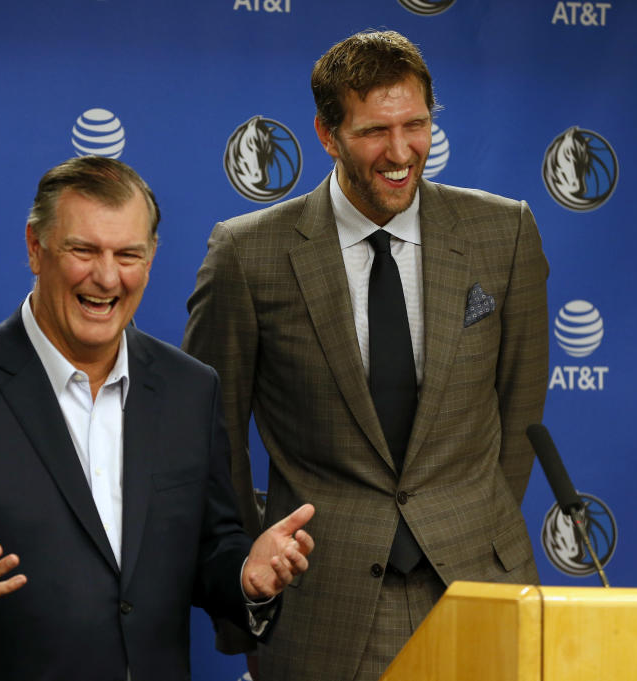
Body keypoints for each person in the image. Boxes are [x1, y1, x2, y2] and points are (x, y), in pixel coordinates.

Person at [0, 156, 315, 681]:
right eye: (83, 250)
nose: (107, 276)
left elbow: (211, 546)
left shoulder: (190, 388)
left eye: (128, 254)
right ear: (35, 247)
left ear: (152, 257)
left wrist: (246, 576)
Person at [182, 30, 549, 681]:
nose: (402, 151)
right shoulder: (248, 255)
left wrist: (468, 525)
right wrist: (247, 589)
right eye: (376, 131)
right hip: (322, 605)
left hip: (480, 588)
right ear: (327, 134)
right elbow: (213, 441)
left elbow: (520, 411)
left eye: (417, 125)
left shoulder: (505, 233)